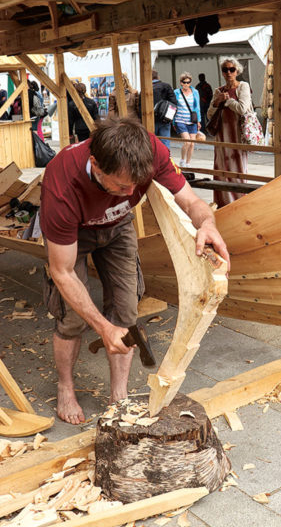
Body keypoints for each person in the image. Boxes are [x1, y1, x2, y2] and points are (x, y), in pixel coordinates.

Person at [40, 117, 229, 424]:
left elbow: (192, 201)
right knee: (72, 317)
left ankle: (119, 395)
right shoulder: (62, 184)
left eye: (135, 185)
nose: (130, 192)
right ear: (96, 165)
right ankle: (66, 386)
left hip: (117, 227)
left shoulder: (151, 152)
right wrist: (102, 327)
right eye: (121, 185)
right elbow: (62, 272)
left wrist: (207, 224)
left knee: (126, 313)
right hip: (75, 231)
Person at [207, 58, 252, 208]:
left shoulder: (243, 86)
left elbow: (242, 108)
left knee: (237, 168)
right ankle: (222, 203)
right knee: (221, 169)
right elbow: (209, 114)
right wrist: (217, 101)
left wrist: (227, 101)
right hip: (221, 136)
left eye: (231, 69)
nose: (228, 72)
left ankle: (239, 203)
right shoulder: (218, 91)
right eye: (225, 70)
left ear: (237, 71)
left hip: (237, 135)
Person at [174, 72, 201, 168]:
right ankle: (182, 160)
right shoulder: (176, 92)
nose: (186, 84)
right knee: (187, 142)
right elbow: (173, 106)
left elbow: (197, 107)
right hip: (180, 120)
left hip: (192, 120)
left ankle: (188, 163)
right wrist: (172, 120)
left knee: (192, 144)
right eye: (184, 82)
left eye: (188, 82)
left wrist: (198, 121)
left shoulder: (195, 92)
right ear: (181, 82)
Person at [149, 70, 177, 151]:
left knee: (152, 143)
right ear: (158, 77)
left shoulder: (145, 88)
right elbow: (174, 103)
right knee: (165, 142)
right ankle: (166, 160)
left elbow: (140, 107)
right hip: (165, 119)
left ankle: (154, 162)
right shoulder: (166, 86)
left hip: (151, 120)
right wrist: (170, 117)